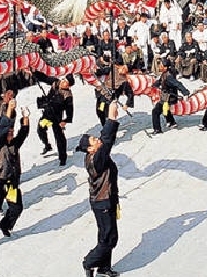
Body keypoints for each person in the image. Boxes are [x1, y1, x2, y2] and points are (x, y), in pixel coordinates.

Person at [77, 100, 121, 277]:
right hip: (102, 202)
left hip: (107, 199)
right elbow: (108, 140)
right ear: (89, 149)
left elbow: (104, 139)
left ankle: (104, 267)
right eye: (94, 140)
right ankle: (89, 262)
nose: (98, 140)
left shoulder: (95, 154)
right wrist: (111, 116)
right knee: (110, 238)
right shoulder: (96, 159)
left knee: (105, 235)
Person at [0, 98, 30, 253]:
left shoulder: (15, 144)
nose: (10, 133)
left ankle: (5, 224)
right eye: (8, 132)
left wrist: (25, 117)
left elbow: (24, 132)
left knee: (17, 208)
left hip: (11, 182)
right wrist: (9, 108)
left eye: (12, 132)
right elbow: (4, 126)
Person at [37, 75, 74, 164]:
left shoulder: (68, 95)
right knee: (40, 129)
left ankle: (62, 158)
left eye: (66, 83)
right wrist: (35, 73)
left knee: (59, 137)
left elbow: (70, 109)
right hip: (47, 112)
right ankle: (47, 145)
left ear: (68, 86)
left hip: (57, 117)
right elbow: (44, 78)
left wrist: (66, 120)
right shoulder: (55, 82)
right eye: (63, 80)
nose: (63, 82)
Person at [151, 58, 190, 134]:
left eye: (161, 65)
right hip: (166, 96)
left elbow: (178, 84)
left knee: (155, 111)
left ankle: (157, 130)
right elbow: (160, 81)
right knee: (165, 109)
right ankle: (172, 122)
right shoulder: (164, 74)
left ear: (165, 67)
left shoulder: (169, 76)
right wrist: (154, 85)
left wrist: (185, 92)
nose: (159, 66)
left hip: (169, 97)